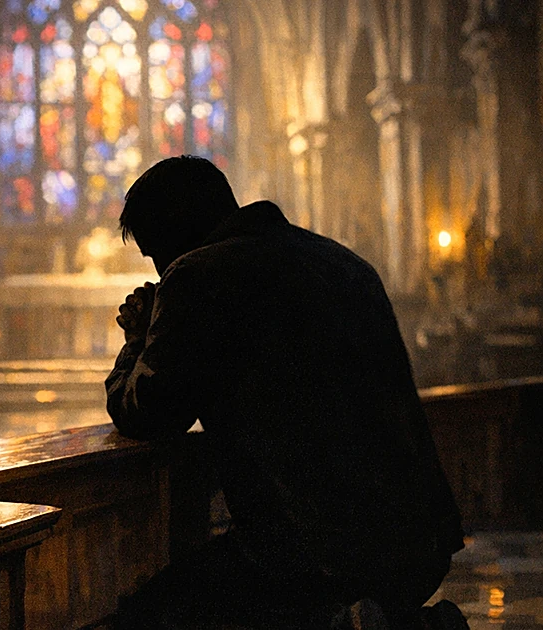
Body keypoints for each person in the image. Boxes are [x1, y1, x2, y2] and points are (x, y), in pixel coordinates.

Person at [106, 156, 466, 629]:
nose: (158, 268)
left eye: (155, 252)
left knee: (147, 618)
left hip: (317, 547)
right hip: (420, 542)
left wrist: (138, 337)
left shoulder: (198, 274)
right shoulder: (342, 261)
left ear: (175, 233)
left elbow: (147, 411)